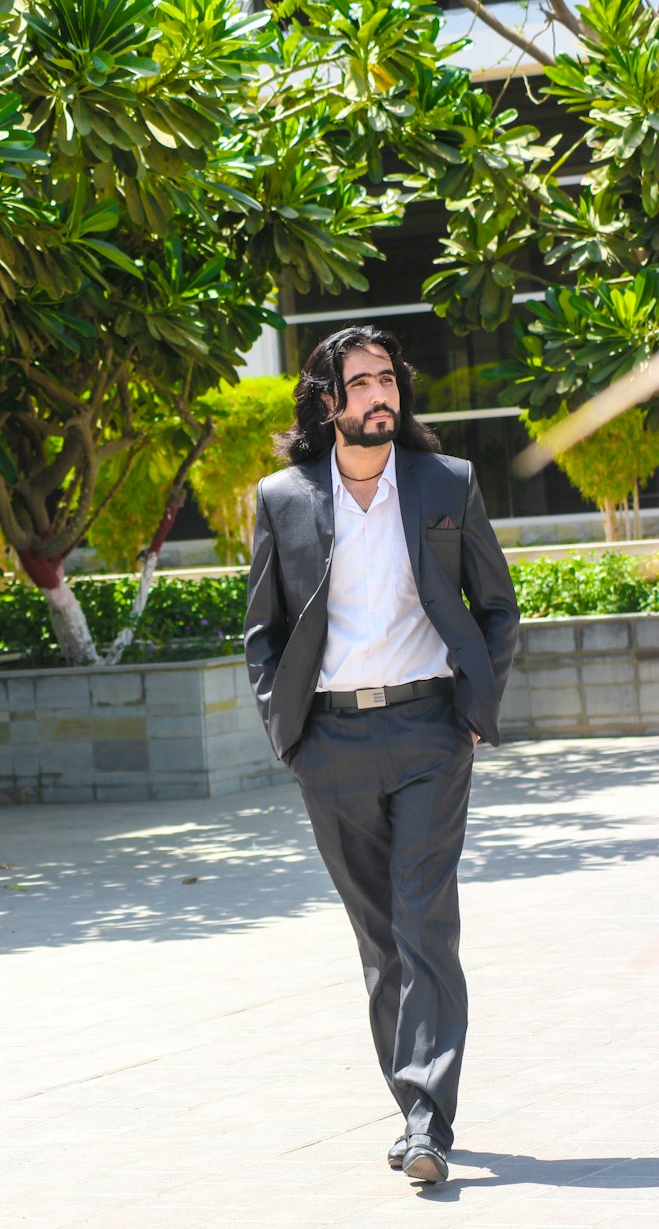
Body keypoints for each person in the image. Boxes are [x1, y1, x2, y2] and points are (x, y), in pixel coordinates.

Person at [244, 325, 519, 1184]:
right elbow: (263, 633)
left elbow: (497, 607)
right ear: (327, 403)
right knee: (380, 941)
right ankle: (414, 1108)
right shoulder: (284, 498)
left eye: (387, 380)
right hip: (329, 743)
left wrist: (473, 711)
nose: (380, 395)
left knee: (424, 923)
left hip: (429, 735)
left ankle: (428, 1120)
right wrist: (288, 738)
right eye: (360, 383)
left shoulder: (446, 482)